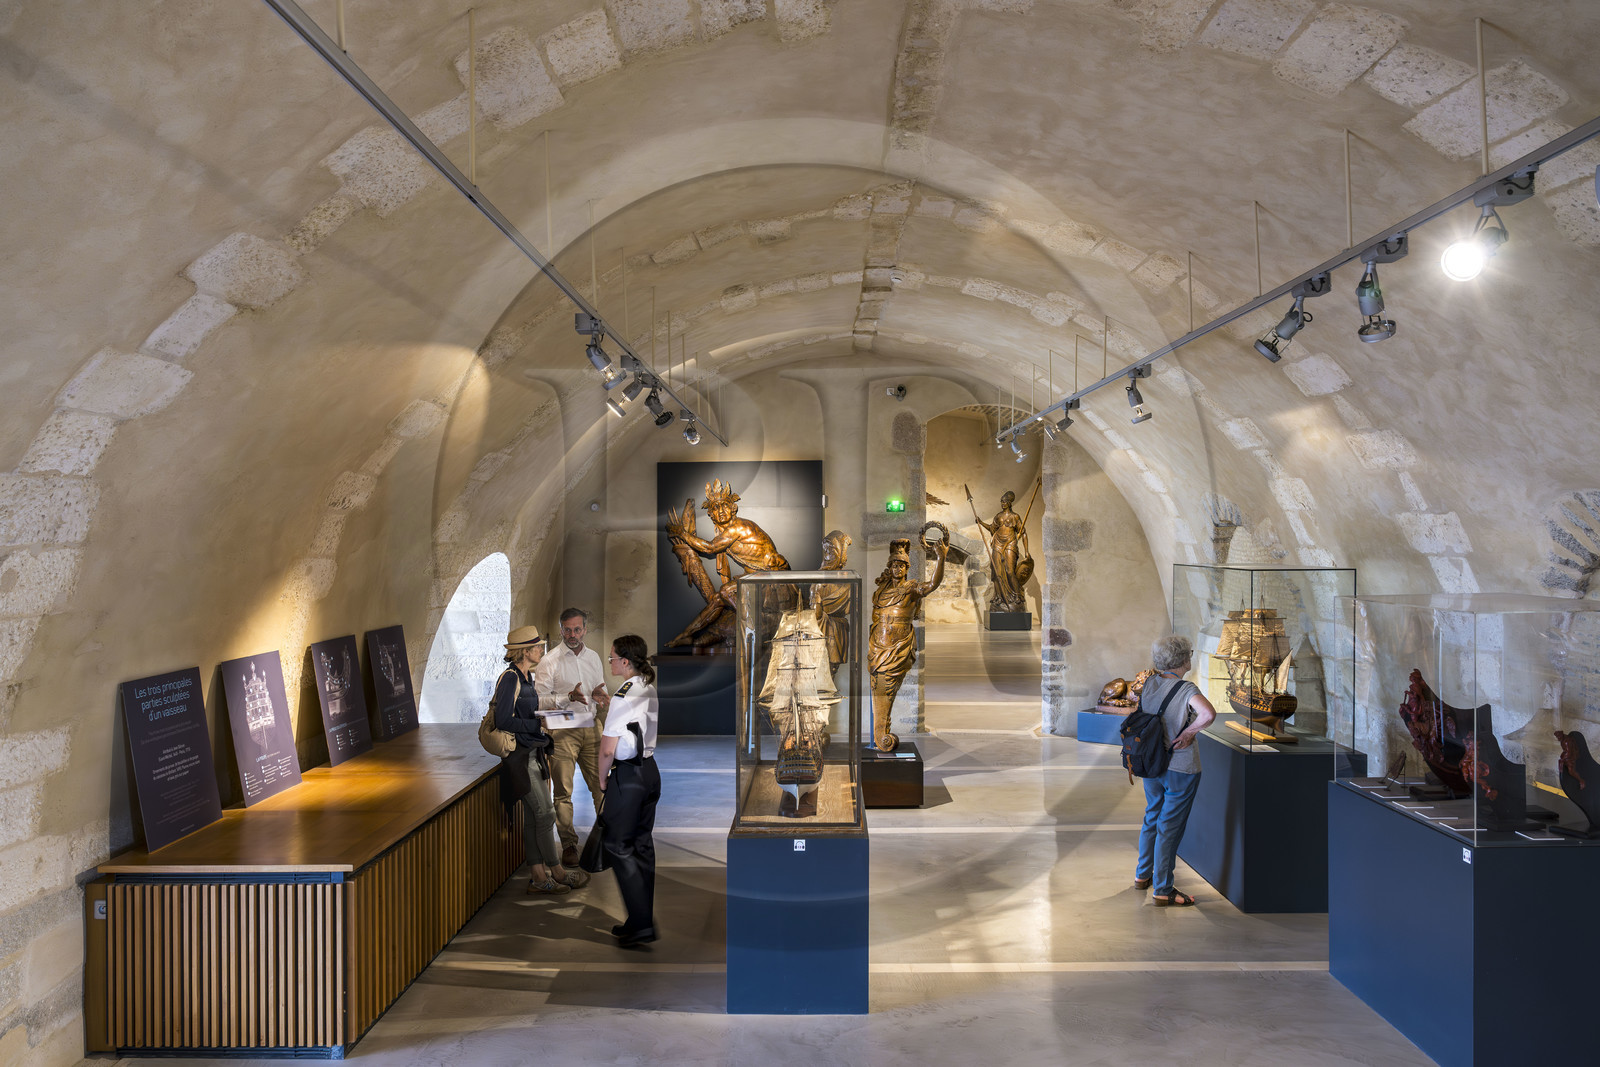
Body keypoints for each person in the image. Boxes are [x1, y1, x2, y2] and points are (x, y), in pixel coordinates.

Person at [494, 625, 587, 895]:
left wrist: (546, 716)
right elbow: (502, 720)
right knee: (545, 813)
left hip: (532, 751)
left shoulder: (525, 677)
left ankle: (538, 876)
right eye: (536, 647)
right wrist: (535, 726)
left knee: (536, 817)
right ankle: (556, 871)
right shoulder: (511, 678)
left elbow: (526, 711)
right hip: (519, 756)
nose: (541, 650)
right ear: (524, 651)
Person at [1133, 633, 1217, 907]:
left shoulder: (1149, 684)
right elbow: (1208, 714)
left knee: (1152, 817)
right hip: (1181, 767)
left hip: (1152, 763)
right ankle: (1163, 889)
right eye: (1190, 653)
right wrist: (1190, 732)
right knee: (1169, 828)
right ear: (1183, 659)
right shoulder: (1186, 689)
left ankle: (1142, 875)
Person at [592, 634, 661, 947]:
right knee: (641, 845)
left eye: (612, 658)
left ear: (625, 661)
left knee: (618, 846)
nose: (610, 662)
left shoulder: (623, 694)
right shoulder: (646, 684)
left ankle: (642, 924)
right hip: (649, 772)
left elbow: (608, 748)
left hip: (629, 777)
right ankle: (639, 919)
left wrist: (602, 779)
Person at [533, 607, 607, 869]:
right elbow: (538, 700)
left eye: (577, 629)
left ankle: (604, 842)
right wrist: (568, 698)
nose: (572, 634)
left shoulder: (594, 658)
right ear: (561, 628)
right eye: (567, 629)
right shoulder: (549, 661)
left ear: (585, 629)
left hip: (591, 727)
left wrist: (600, 695)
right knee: (563, 792)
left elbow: (599, 686)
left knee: (602, 787)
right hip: (562, 730)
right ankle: (568, 845)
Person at [868, 536, 946, 752]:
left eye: (902, 566)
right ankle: (880, 733)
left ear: (906, 569)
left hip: (897, 647)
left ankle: (881, 734)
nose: (897, 569)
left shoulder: (911, 587)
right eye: (894, 565)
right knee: (879, 690)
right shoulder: (881, 591)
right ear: (890, 567)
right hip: (877, 646)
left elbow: (932, 585)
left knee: (887, 690)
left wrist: (941, 558)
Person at [971, 489, 1034, 613]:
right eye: (1001, 501)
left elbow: (1024, 533)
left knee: (1010, 571)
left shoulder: (1015, 517)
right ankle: (999, 597)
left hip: (1010, 544)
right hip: (997, 544)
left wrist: (1026, 551)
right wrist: (980, 522)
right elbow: (992, 528)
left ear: (1010, 503)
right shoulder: (998, 516)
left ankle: (1016, 596)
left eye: (1004, 501)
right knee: (997, 572)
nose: (1002, 503)